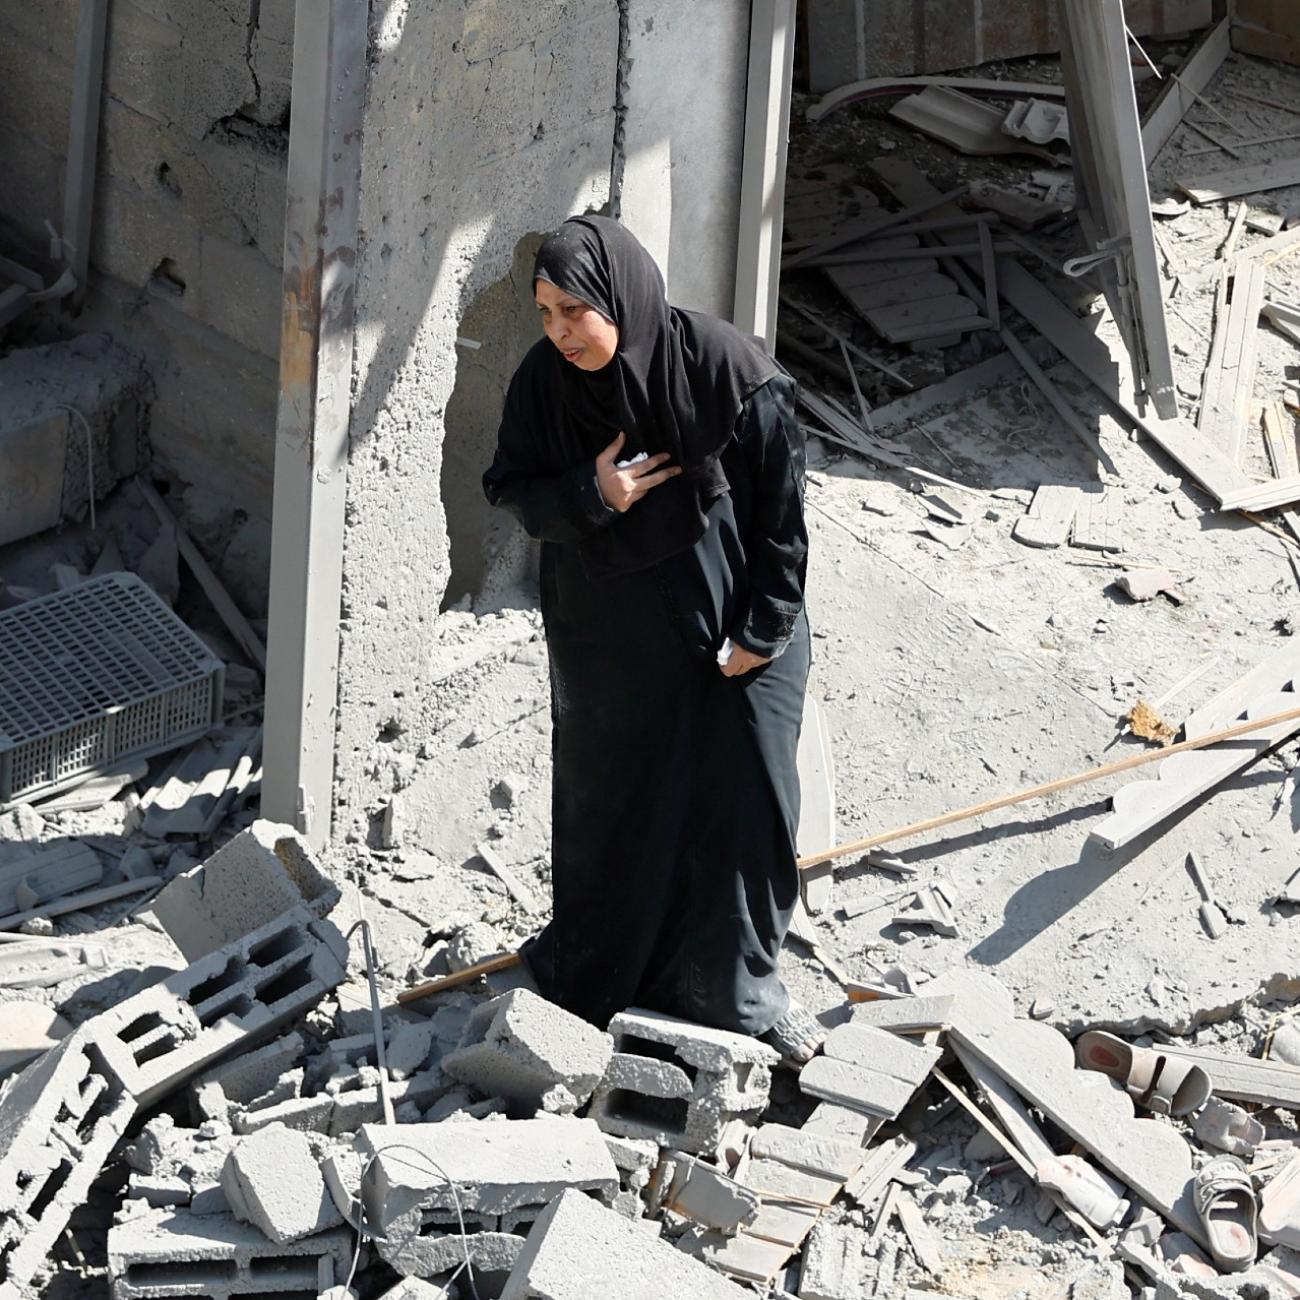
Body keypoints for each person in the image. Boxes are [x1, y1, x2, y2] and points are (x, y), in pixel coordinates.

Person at [482, 215, 820, 1065]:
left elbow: (783, 518)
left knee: (747, 807)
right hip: (611, 645)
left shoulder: (726, 369)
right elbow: (512, 490)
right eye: (546, 312)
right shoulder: (544, 387)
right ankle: (601, 985)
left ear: (620, 299)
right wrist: (592, 494)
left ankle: (738, 997)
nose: (560, 332)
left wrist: (765, 629)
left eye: (575, 311)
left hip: (739, 645)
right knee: (617, 809)